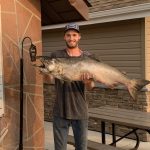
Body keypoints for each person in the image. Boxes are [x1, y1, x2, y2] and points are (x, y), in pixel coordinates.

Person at [44, 23, 94, 150]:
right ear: (64, 37)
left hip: (80, 110)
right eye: (68, 35)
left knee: (81, 147)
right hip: (60, 110)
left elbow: (91, 87)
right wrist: (45, 72)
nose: (71, 38)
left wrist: (88, 81)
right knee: (60, 148)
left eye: (74, 35)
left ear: (79, 37)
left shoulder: (88, 57)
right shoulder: (56, 56)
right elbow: (49, 80)